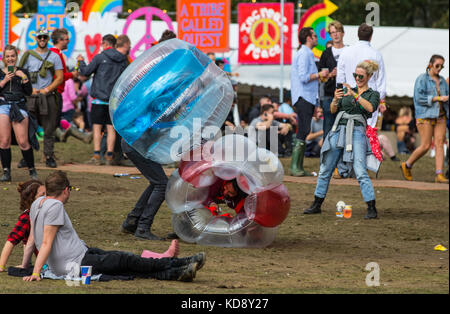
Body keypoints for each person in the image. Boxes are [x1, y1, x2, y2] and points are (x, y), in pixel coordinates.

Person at [21, 171, 206, 282]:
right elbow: (45, 242)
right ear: (66, 190)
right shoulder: (55, 206)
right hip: (76, 263)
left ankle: (178, 270)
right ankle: (179, 264)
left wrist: (24, 266)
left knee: (123, 264)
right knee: (124, 260)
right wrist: (36, 272)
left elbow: (31, 242)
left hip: (79, 255)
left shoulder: (37, 204)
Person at [303, 60, 381, 219]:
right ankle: (316, 204)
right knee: (325, 168)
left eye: (361, 76)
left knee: (360, 170)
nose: (357, 78)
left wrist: (354, 95)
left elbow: (370, 108)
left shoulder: (373, 94)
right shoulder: (347, 91)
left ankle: (371, 207)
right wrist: (335, 100)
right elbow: (332, 110)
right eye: (355, 75)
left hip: (357, 130)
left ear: (369, 76)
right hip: (339, 129)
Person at [77, 34, 128, 165]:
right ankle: (109, 156)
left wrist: (81, 61)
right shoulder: (123, 60)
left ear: (105, 44)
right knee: (111, 129)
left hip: (99, 99)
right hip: (114, 101)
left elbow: (85, 72)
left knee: (97, 128)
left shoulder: (100, 57)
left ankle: (96, 155)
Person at [18, 27, 64, 168]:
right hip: (31, 97)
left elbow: (60, 77)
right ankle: (27, 157)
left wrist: (47, 89)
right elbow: (20, 73)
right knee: (28, 128)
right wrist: (29, 89)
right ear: (36, 38)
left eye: (45, 37)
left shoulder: (54, 56)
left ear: (48, 38)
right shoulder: (28, 55)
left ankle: (48, 156)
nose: (42, 39)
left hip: (48, 96)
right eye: (40, 37)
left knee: (49, 128)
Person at [401, 55, 449, 183]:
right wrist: (437, 98)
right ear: (430, 64)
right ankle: (407, 165)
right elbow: (418, 98)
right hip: (425, 115)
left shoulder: (443, 81)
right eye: (437, 65)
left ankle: (439, 174)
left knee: (439, 144)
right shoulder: (422, 79)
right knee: (426, 145)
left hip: (441, 116)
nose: (439, 68)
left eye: (442, 66)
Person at [290, 27, 329, 177]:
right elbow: (304, 77)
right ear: (308, 37)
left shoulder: (306, 53)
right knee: (303, 130)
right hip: (303, 96)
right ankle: (295, 167)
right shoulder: (304, 54)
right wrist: (320, 74)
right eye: (314, 35)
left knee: (305, 130)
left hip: (307, 97)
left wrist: (316, 102)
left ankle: (297, 166)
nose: (317, 38)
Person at [337, 23, 387, 129]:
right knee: (368, 131)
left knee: (348, 129)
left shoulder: (346, 51)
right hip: (370, 97)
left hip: (349, 95)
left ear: (358, 34)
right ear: (371, 36)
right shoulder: (376, 54)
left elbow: (340, 78)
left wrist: (340, 96)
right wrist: (381, 100)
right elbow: (381, 81)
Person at [0, 45, 38, 182]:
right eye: (8, 56)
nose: (10, 59)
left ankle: (32, 169)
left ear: (16, 57)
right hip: (3, 105)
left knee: (22, 141)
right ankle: (6, 172)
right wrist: (4, 80)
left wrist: (24, 78)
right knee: (4, 141)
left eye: (12, 56)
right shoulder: (0, 72)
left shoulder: (23, 71)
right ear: (4, 58)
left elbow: (28, 92)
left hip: (19, 105)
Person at [120, 141, 168, 240]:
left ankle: (131, 221)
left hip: (136, 145)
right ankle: (143, 227)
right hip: (139, 147)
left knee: (157, 182)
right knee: (162, 184)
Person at [0, 180, 45, 272]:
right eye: (42, 195)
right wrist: (2, 265)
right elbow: (12, 241)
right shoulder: (27, 218)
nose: (46, 198)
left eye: (47, 194)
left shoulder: (49, 212)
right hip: (47, 264)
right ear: (32, 199)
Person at [318, 21, 346, 139]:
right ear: (330, 35)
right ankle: (326, 156)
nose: (335, 35)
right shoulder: (325, 54)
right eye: (332, 32)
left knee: (344, 127)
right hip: (329, 95)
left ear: (343, 33)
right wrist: (330, 74)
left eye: (338, 31)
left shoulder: (349, 51)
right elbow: (320, 78)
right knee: (328, 128)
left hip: (346, 95)